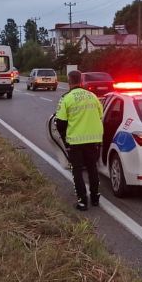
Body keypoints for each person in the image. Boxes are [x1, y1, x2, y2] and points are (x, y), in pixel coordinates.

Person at [55, 70, 104, 211]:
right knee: (92, 168)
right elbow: (100, 115)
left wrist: (65, 140)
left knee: (77, 170)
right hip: (94, 139)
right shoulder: (92, 96)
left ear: (69, 81)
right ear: (81, 80)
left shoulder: (66, 98)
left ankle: (82, 201)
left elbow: (60, 123)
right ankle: (95, 198)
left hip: (75, 141)